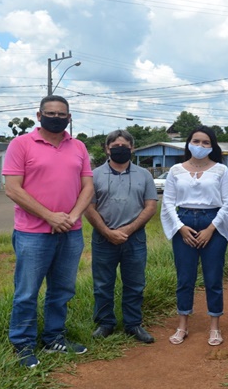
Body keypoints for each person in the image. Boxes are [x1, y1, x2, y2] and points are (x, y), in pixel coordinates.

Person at [3, 95, 94, 368]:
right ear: (39, 115)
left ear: (69, 117)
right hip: (33, 233)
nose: (56, 117)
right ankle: (23, 344)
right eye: (50, 113)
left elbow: (87, 186)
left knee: (62, 290)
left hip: (71, 231)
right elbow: (13, 188)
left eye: (62, 114)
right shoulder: (20, 144)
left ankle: (54, 338)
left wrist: (72, 216)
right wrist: (50, 216)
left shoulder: (78, 146)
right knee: (27, 292)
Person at [160, 126, 228, 346]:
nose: (200, 146)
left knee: (213, 278)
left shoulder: (221, 171)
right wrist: (180, 228)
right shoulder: (176, 170)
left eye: (206, 143)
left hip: (214, 223)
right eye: (196, 141)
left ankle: (215, 326)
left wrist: (211, 228)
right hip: (183, 222)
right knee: (185, 278)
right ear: (188, 143)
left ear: (212, 146)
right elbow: (167, 202)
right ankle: (182, 325)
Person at [84, 130, 158, 344]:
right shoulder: (94, 175)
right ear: (107, 149)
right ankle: (105, 323)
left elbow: (150, 206)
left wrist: (128, 230)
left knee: (135, 283)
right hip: (103, 238)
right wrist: (107, 232)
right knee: (102, 284)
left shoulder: (144, 175)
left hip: (134, 239)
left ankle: (133, 323)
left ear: (132, 148)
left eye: (124, 146)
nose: (119, 149)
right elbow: (89, 207)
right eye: (115, 146)